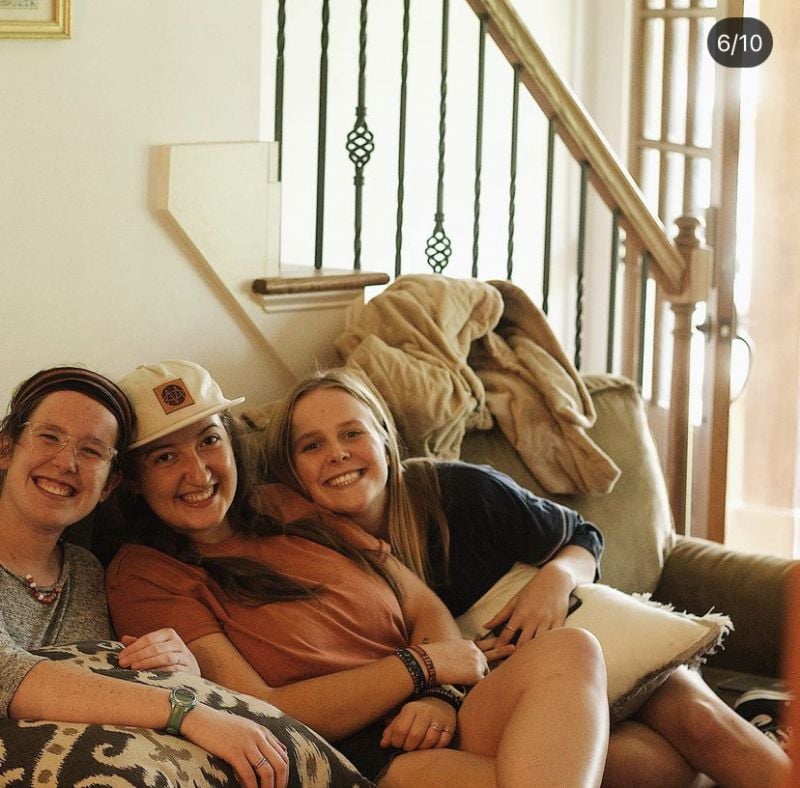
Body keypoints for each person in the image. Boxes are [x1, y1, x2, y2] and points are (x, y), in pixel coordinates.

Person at [260, 367, 792, 788]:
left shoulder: (461, 493)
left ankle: (757, 736)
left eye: (352, 432)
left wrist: (553, 581)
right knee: (652, 767)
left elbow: (583, 536)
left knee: (701, 723)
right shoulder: (302, 552)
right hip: (506, 698)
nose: (337, 454)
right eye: (311, 445)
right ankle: (762, 725)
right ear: (290, 469)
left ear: (383, 438)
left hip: (587, 640)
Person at [105, 359, 610, 787]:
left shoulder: (281, 503)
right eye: (165, 457)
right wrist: (421, 667)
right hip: (356, 747)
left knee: (575, 650)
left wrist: (439, 697)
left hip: (440, 706)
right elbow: (260, 706)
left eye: (209, 440)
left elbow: (420, 603)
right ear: (132, 480)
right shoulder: (144, 575)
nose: (198, 472)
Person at [0, 366, 289, 788]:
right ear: (6, 447)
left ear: (110, 485)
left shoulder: (87, 571)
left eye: (92, 450)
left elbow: (108, 687)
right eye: (49, 437)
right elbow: (7, 675)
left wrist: (178, 669)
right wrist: (184, 710)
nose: (66, 462)